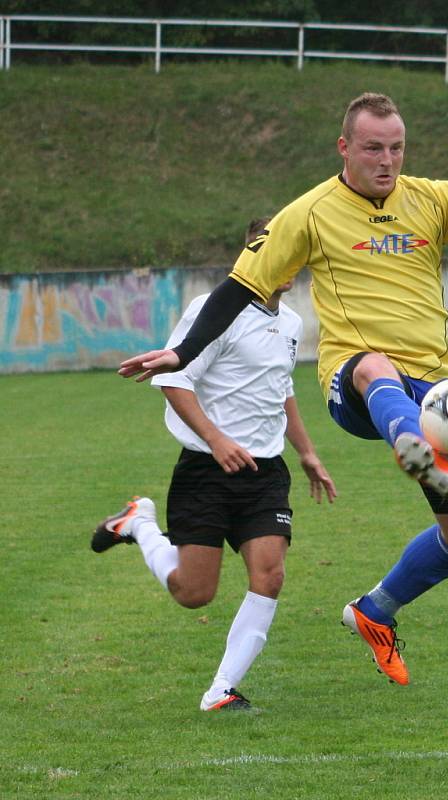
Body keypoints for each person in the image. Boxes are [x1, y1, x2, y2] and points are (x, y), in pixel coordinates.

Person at [118, 93, 448, 686]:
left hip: (434, 385)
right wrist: (183, 352)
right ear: (345, 148)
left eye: (397, 148)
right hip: (356, 381)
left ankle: (375, 611)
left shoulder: (431, 199)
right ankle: (413, 445)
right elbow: (238, 287)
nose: (387, 160)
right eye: (374, 148)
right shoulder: (306, 214)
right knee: (375, 365)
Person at [92, 218, 337, 712]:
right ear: (249, 256)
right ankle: (139, 524)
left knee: (269, 575)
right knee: (193, 594)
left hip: (265, 473)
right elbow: (174, 381)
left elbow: (280, 389)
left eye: (289, 252)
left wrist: (307, 451)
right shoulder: (213, 312)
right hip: (206, 469)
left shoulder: (290, 322)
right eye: (268, 251)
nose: (282, 263)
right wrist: (216, 439)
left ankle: (220, 690)